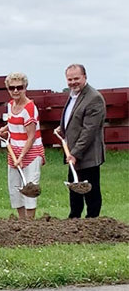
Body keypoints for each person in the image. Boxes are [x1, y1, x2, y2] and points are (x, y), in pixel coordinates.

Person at [0, 72, 46, 220]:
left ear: (25, 88)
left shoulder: (30, 108)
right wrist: (4, 130)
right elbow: (13, 123)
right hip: (14, 150)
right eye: (12, 88)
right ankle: (21, 221)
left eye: (19, 87)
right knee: (15, 187)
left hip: (30, 152)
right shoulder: (11, 105)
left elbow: (31, 136)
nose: (16, 91)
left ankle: (30, 223)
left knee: (29, 187)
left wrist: (21, 157)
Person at [58, 64, 106, 218]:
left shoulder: (94, 98)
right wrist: (62, 129)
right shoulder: (73, 95)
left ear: (85, 77)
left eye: (76, 78)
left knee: (90, 190)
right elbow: (73, 119)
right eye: (70, 79)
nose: (73, 82)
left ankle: (92, 222)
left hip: (88, 155)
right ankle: (74, 219)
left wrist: (75, 153)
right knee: (74, 188)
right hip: (73, 153)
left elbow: (89, 131)